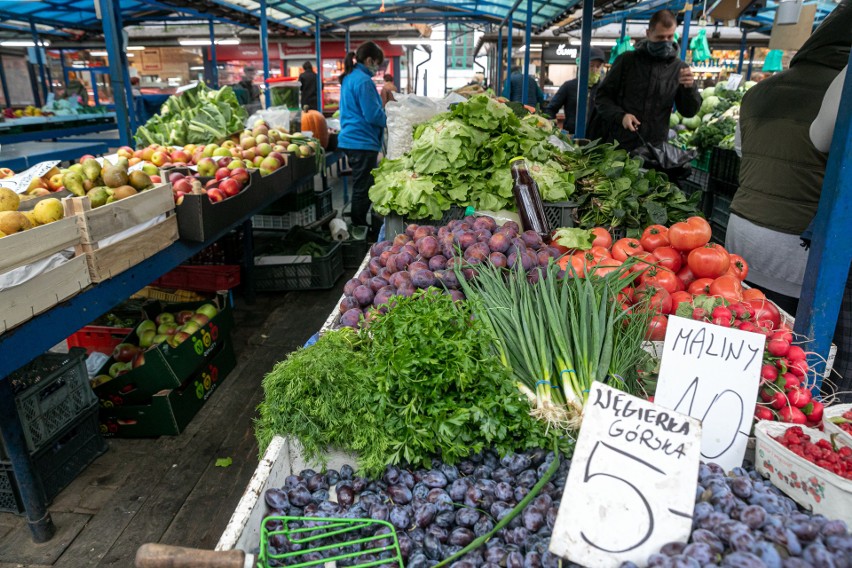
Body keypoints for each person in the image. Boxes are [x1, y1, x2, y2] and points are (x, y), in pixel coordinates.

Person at [725, 0, 851, 399]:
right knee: (786, 360)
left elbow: (744, 154)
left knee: (745, 335)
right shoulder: (840, 95)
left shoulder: (760, 91)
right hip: (796, 251)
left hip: (741, 235)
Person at [588, 9, 701, 152]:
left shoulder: (679, 68)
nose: (666, 42)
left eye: (670, 37)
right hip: (620, 147)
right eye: (660, 38)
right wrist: (621, 116)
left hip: (655, 150)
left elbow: (689, 112)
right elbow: (602, 98)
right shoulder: (627, 61)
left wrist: (689, 89)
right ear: (648, 34)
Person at [338, 41, 387, 235]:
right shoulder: (364, 81)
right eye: (377, 63)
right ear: (369, 60)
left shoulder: (351, 77)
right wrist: (392, 119)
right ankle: (358, 228)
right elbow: (372, 115)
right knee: (363, 187)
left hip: (353, 139)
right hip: (361, 141)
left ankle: (359, 224)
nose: (378, 68)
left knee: (362, 184)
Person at [544, 47, 606, 135]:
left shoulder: (603, 89)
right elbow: (550, 109)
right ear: (582, 65)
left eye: (598, 66)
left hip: (596, 139)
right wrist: (552, 128)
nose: (594, 69)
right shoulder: (569, 86)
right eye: (591, 65)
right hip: (572, 136)